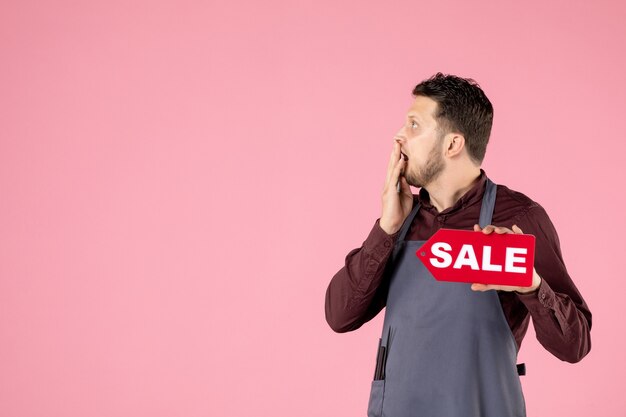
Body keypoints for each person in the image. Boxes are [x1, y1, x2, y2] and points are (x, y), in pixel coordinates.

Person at [324, 73, 592, 417]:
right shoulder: (402, 218)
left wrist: (531, 285)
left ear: (452, 145)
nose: (399, 135)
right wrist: (386, 228)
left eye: (414, 125)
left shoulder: (519, 219)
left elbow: (575, 345)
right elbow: (339, 316)